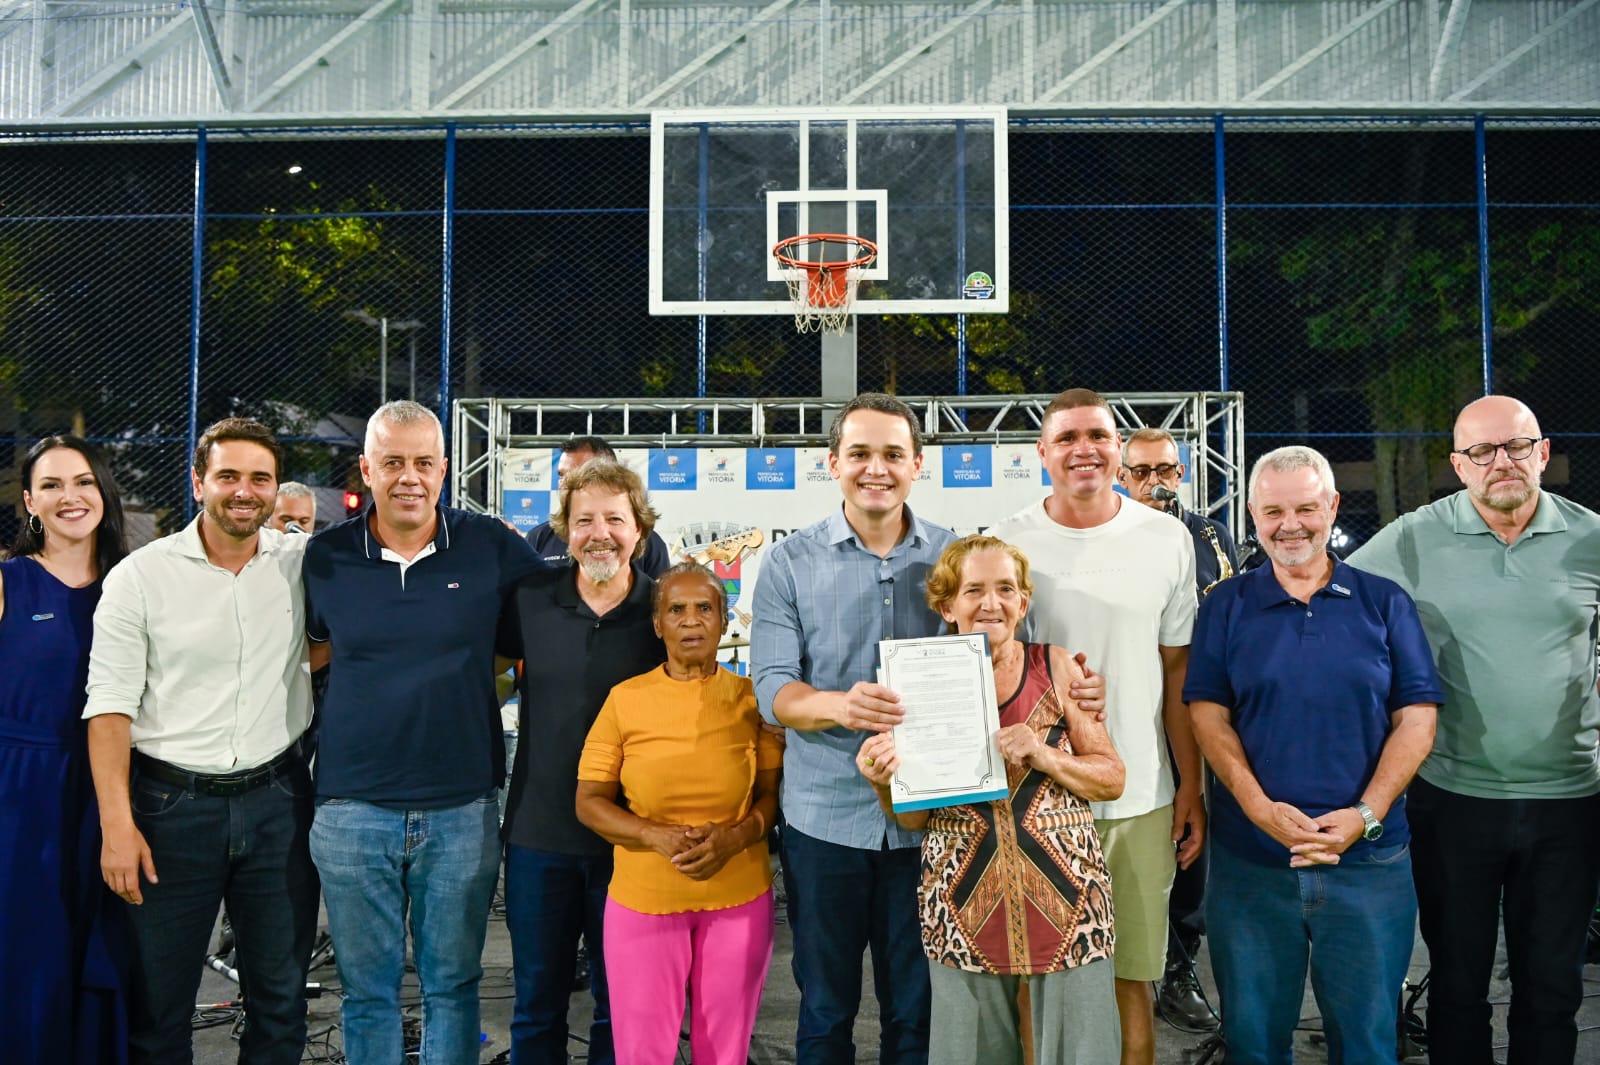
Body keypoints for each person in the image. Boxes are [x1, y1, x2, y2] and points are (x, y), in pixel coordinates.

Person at [1348, 394, 1600, 1065]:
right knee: (1457, 987)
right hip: (1453, 797)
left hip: (1570, 798)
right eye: (1482, 451)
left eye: (1518, 445)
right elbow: (1329, 595)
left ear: (1543, 451)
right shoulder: (1412, 536)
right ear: (1458, 465)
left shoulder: (1591, 537)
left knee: (1553, 988)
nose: (1503, 462)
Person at [302, 400, 541, 1065]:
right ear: (366, 468)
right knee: (368, 992)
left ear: (445, 468)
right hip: (351, 807)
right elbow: (298, 654)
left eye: (423, 462)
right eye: (393, 462)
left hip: (461, 804)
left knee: (454, 986)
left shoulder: (492, 546)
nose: (409, 476)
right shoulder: (324, 557)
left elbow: (562, 622)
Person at [1185, 446, 1441, 1064]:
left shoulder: (1386, 603)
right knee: (1252, 1043)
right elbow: (1207, 714)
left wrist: (1366, 814)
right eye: (1273, 510)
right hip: (1253, 868)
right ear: (1251, 513)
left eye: (1305, 507)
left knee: (1369, 1046)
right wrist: (1256, 805)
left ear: (1331, 507)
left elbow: (1417, 718)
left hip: (1369, 863)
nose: (1290, 524)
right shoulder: (1225, 606)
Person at [85, 417, 319, 1065]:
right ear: (198, 481)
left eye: (259, 478)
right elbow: (107, 710)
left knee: (281, 1002)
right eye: (229, 476)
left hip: (280, 802)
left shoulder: (302, 564)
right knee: (158, 1008)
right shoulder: (141, 576)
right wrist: (116, 825)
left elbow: (333, 643)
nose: (244, 490)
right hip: (168, 811)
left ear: (275, 490)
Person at [991, 387, 1202, 1065]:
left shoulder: (1168, 539)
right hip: (1034, 801)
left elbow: (1178, 677)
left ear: (1118, 449)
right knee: (1037, 983)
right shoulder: (1006, 542)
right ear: (1042, 453)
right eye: (1069, 437)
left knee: (1130, 980)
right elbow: (987, 668)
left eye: (1099, 435)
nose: (1085, 448)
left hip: (1140, 795)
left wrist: (1189, 787)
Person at [854, 535, 1124, 1065]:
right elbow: (913, 821)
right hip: (961, 903)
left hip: (1072, 903)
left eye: (1005, 589)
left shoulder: (1060, 667)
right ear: (946, 605)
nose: (990, 603)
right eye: (973, 590)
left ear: (1024, 602)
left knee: (1084, 1054)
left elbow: (1111, 778)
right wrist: (882, 781)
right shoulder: (912, 684)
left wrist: (1046, 756)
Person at [748, 392, 954, 1065]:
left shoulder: (957, 558)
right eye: (860, 453)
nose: (876, 467)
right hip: (824, 821)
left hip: (929, 820)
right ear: (832, 462)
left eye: (893, 453)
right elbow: (773, 689)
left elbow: (999, 662)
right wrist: (840, 705)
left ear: (917, 463)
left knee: (916, 1014)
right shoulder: (787, 563)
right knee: (825, 1010)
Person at [575, 561, 783, 1065]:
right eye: (677, 610)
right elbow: (589, 802)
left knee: (725, 1051)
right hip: (644, 900)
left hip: (739, 897)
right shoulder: (624, 701)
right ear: (657, 625)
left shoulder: (755, 700)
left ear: (724, 620)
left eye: (704, 609)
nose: (691, 621)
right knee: (643, 1052)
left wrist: (736, 838)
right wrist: (654, 837)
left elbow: (771, 797)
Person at [501, 456, 667, 1065]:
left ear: (640, 531)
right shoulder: (528, 601)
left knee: (621, 1006)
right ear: (565, 532)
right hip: (538, 837)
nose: (599, 532)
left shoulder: (664, 613)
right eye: (584, 520)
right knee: (536, 1004)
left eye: (615, 519)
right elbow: (485, 672)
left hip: (632, 843)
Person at [0, 436, 130, 1065]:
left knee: (104, 949)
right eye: (50, 485)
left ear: (103, 491)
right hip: (23, 796)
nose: (69, 497)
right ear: (29, 501)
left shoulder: (135, 586)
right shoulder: (9, 581)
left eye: (82, 481)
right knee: (30, 951)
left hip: (116, 790)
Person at [1116, 426, 1236, 1033]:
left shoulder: (1210, 535)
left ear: (1183, 473)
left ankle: (1180, 963)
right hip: (1120, 711)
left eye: (1164, 470)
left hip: (1190, 706)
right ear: (1121, 473)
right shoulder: (1108, 529)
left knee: (1191, 838)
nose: (1153, 482)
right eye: (1139, 471)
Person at [527, 436, 671, 575]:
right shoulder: (538, 537)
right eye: (561, 475)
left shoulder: (650, 543)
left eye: (577, 474)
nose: (564, 483)